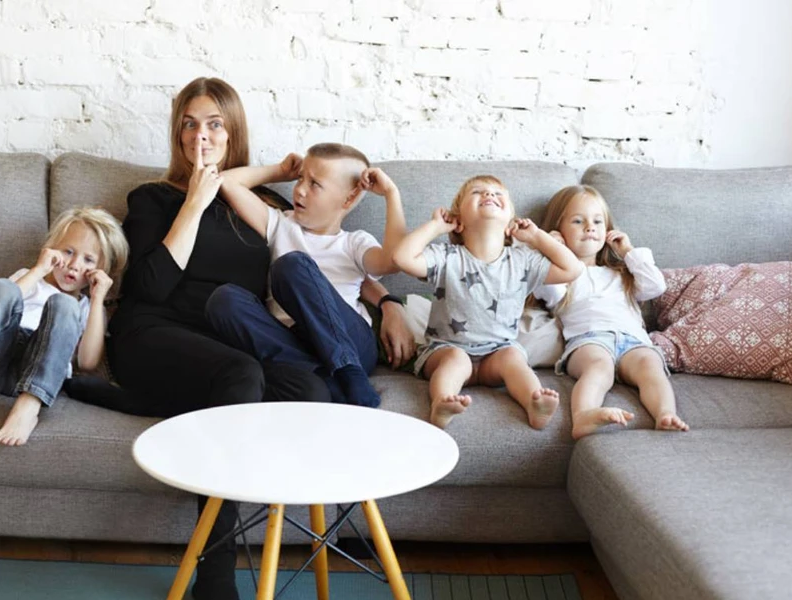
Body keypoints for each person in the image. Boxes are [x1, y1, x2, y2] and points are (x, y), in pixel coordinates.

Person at [102, 77, 415, 600]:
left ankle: (334, 381)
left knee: (309, 391)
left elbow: (324, 263)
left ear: (234, 132)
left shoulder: (267, 205)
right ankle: (216, 576)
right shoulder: (153, 197)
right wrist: (196, 200)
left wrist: (388, 303)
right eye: (189, 124)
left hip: (234, 339)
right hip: (157, 332)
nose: (200, 135)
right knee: (239, 373)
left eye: (214, 124)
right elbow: (149, 287)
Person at [205, 143, 406, 407]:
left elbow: (394, 260)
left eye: (315, 184)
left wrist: (391, 193)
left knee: (292, 265)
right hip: (293, 342)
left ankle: (348, 373)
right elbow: (225, 181)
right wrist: (279, 171)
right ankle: (325, 381)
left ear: (347, 200)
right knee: (223, 300)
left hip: (352, 344)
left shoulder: (354, 243)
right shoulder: (280, 224)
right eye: (301, 178)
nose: (299, 189)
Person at [0, 207, 128, 446]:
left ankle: (28, 407)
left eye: (88, 260)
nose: (74, 265)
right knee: (1, 288)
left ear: (101, 270)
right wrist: (39, 270)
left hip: (40, 373)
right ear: (51, 249)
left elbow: (88, 363)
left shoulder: (87, 306)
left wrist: (98, 299)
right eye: (68, 251)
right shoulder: (29, 276)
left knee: (65, 304)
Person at [393, 175, 582, 429]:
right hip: (447, 349)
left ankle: (533, 403)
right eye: (477, 192)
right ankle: (441, 403)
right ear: (458, 222)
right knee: (456, 360)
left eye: (497, 193)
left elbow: (573, 269)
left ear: (510, 223)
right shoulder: (447, 257)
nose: (489, 195)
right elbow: (401, 257)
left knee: (513, 357)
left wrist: (537, 237)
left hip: (497, 353)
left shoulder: (523, 260)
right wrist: (435, 227)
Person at [533, 185, 689, 439]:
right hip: (589, 340)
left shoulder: (621, 273)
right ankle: (583, 416)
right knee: (599, 368)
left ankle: (665, 414)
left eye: (597, 221)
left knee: (650, 366)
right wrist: (551, 250)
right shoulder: (563, 276)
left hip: (634, 341)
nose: (589, 227)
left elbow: (656, 286)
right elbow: (546, 288)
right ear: (558, 229)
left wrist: (628, 251)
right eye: (578, 221)